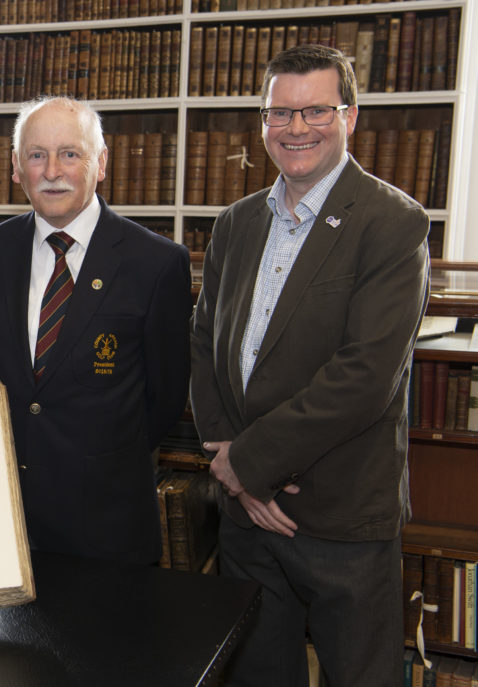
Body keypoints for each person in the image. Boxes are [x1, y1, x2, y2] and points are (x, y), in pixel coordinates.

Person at [189, 44, 430, 687]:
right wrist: (232, 462)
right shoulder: (236, 223)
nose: (297, 129)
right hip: (246, 520)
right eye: (280, 113)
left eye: (316, 110)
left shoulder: (393, 223)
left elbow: (364, 378)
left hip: (339, 518)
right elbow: (206, 339)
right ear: (262, 122)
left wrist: (249, 464)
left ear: (352, 116)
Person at [0, 96, 191, 563]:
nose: (52, 171)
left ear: (100, 162)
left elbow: (165, 398)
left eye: (70, 153)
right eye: (36, 154)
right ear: (15, 166)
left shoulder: (157, 263)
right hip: (5, 523)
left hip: (108, 527)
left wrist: (101, 459)